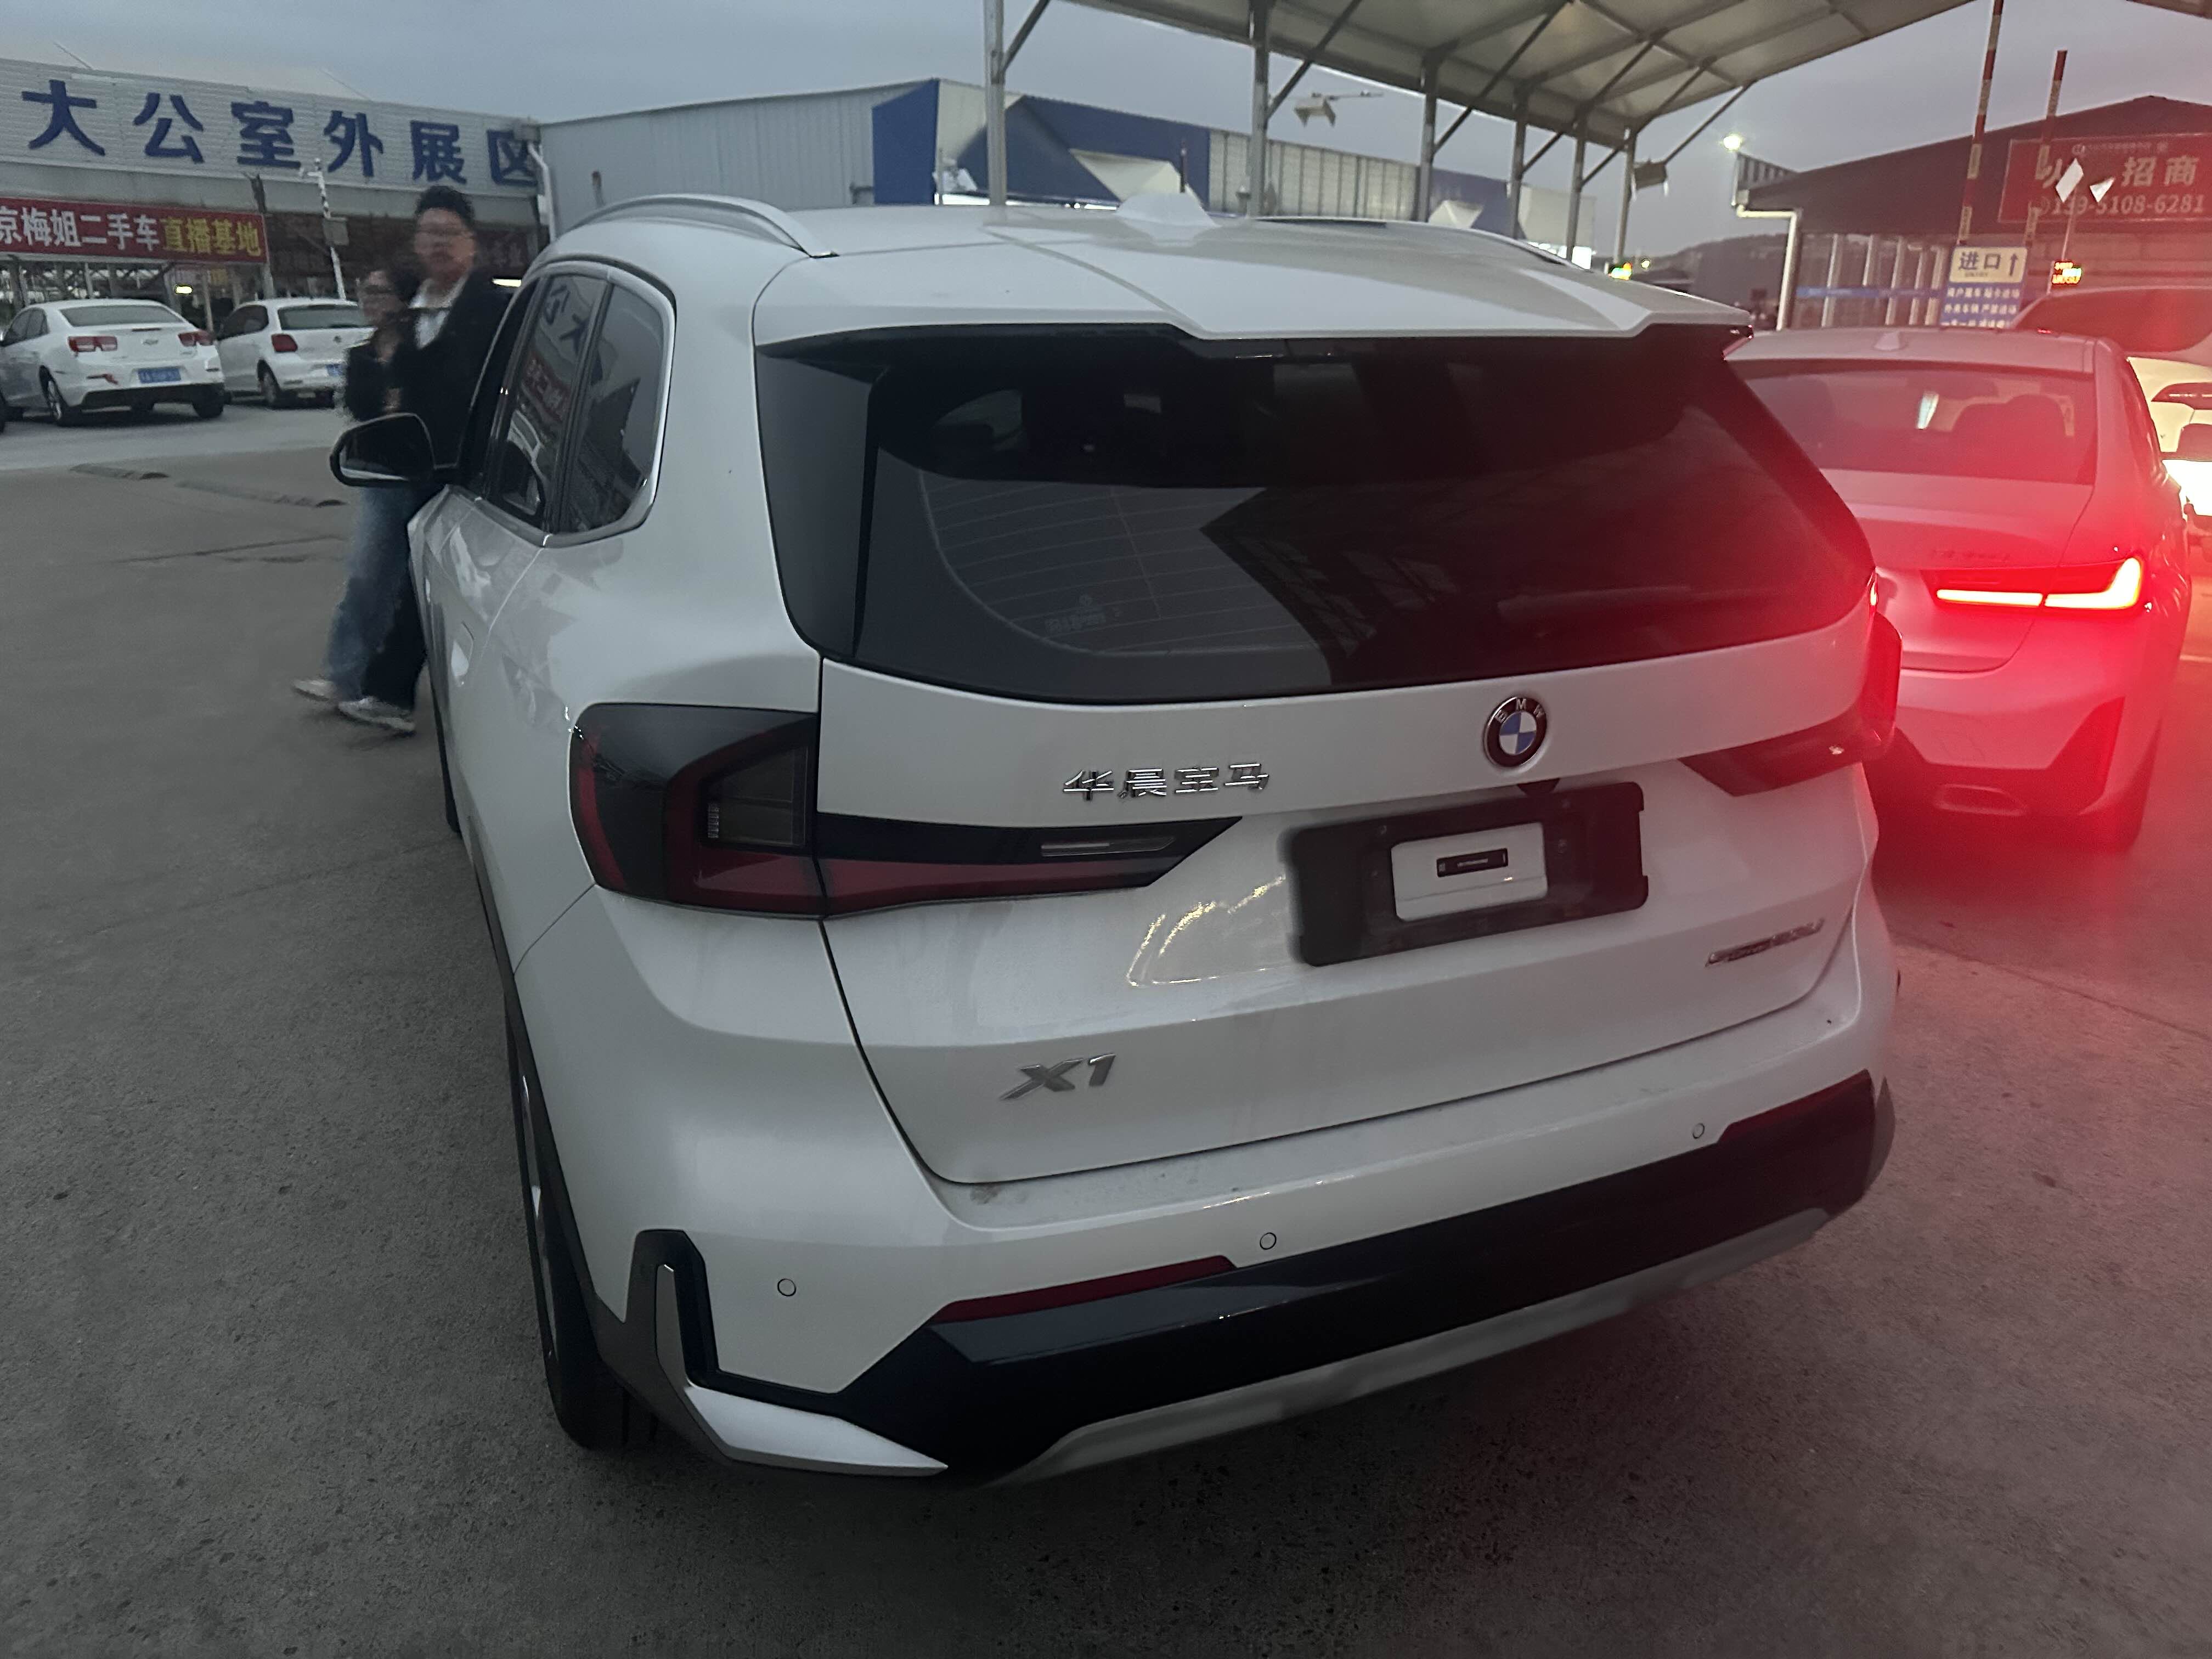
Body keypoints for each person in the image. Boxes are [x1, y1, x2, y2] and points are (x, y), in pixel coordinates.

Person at [336, 185, 510, 736]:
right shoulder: (409, 314)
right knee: (403, 578)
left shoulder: (495, 309)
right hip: (412, 470)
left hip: (475, 470)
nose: (438, 244)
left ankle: (391, 691)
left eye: (448, 233)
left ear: (471, 243)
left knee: (438, 583)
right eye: (428, 233)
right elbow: (374, 398)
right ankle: (378, 687)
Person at [291, 262, 422, 707]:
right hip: (378, 477)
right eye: (367, 292)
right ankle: (344, 676)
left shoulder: (424, 348)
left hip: (427, 476)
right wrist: (391, 401)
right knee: (367, 576)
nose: (370, 301)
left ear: (403, 299)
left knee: (421, 588)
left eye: (380, 293)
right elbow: (361, 407)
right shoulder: (361, 356)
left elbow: (419, 406)